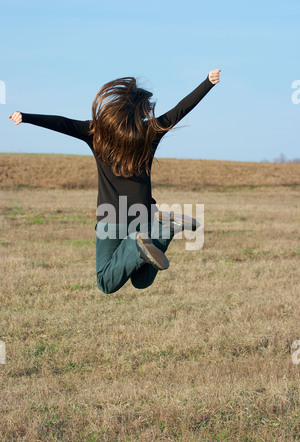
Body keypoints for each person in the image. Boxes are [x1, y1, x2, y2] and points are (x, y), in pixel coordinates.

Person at [9, 69, 221, 294]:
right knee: (141, 281)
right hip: (144, 215)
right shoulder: (150, 132)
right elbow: (180, 110)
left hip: (112, 217)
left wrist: (26, 117)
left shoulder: (97, 133)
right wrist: (208, 83)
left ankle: (137, 242)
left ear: (116, 109)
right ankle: (163, 230)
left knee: (106, 283)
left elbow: (63, 124)